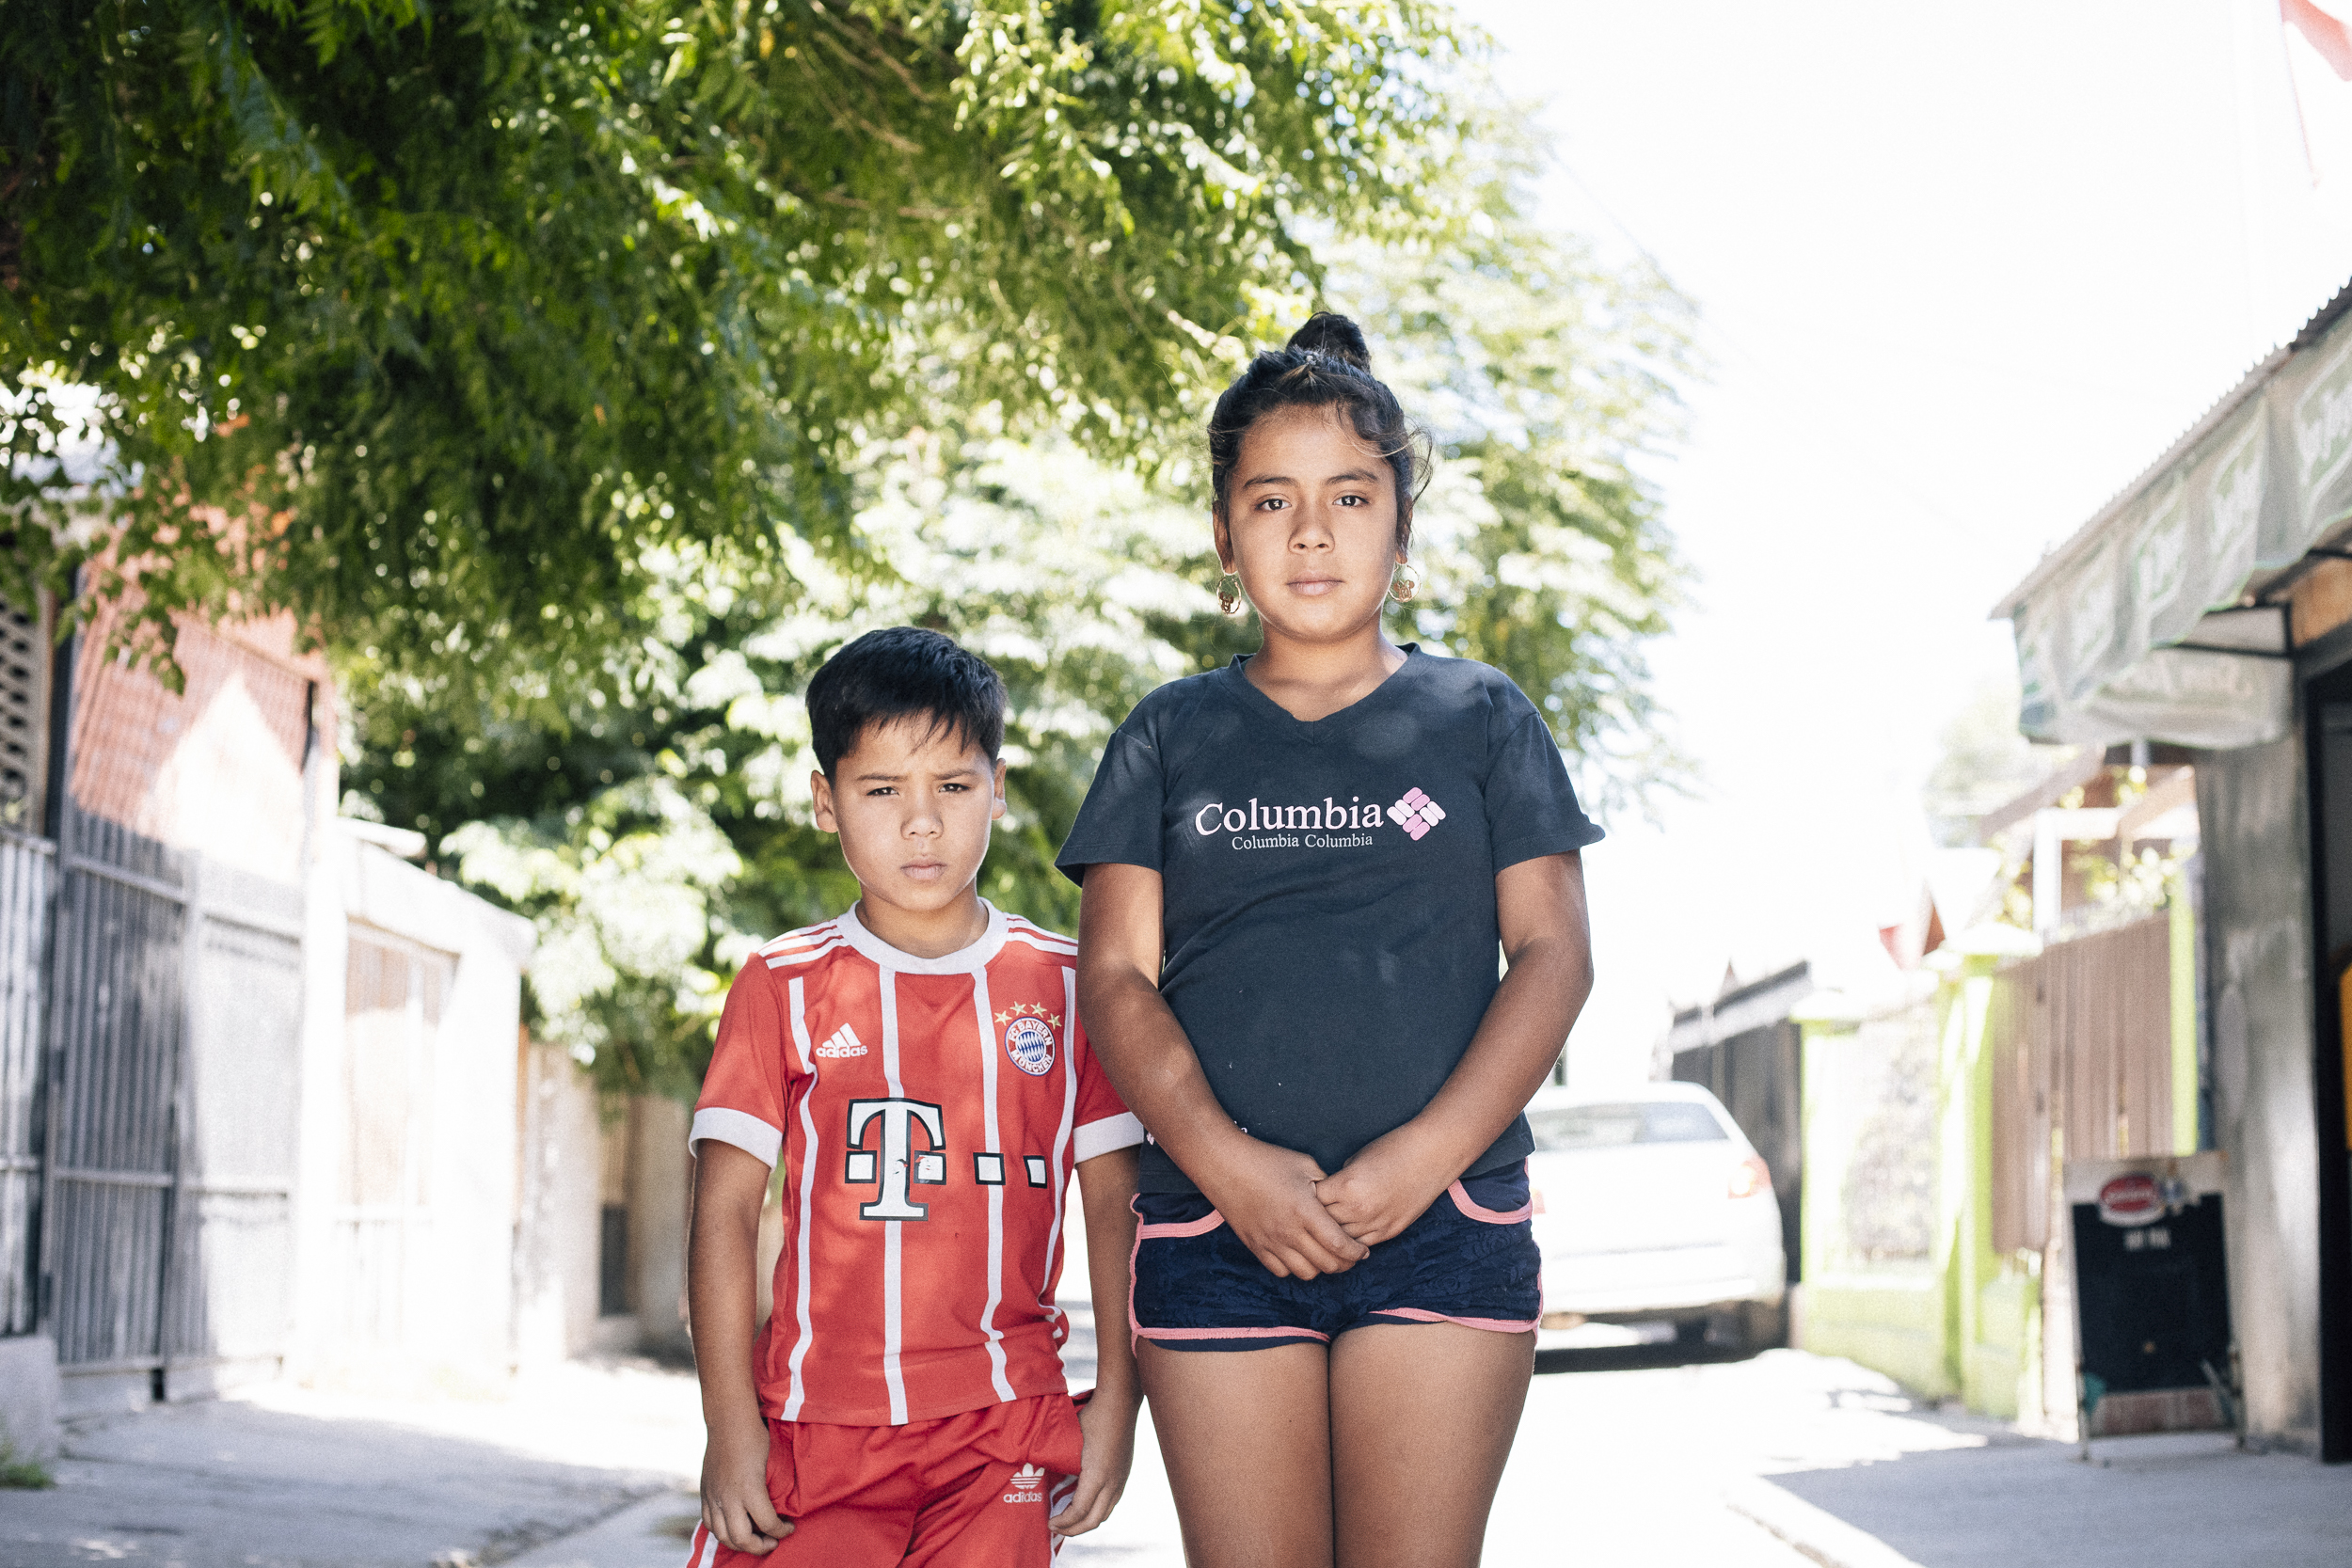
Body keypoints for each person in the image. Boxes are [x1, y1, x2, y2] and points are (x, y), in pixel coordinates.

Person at [1057, 313, 1601, 1568]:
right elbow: (1116, 974)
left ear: (1401, 530)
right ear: (1222, 533)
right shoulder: (1167, 730)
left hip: (1446, 1218)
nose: (1311, 533)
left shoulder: (1482, 717)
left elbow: (1555, 953)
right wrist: (1228, 1161)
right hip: (1214, 1226)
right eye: (1272, 499)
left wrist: (1418, 1157)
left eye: (1351, 498)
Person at [685, 626, 1144, 1568]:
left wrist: (1119, 1403)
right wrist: (730, 1424)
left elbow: (1117, 1208)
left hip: (1002, 1425)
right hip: (817, 1423)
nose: (922, 821)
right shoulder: (783, 981)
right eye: (882, 789)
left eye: (953, 785)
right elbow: (726, 1212)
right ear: (827, 801)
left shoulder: (1070, 986)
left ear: (999, 789)